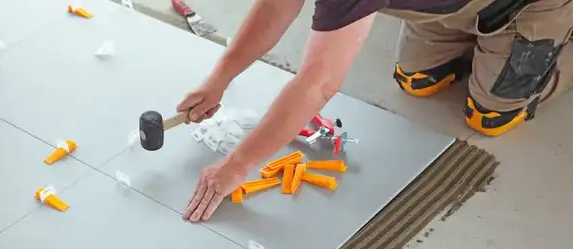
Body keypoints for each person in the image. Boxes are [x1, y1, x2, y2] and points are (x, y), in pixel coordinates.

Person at [178, 0, 572, 222]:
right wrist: (219, 79)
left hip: (527, 6)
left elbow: (319, 83)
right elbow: (276, 9)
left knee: (489, 117)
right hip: (451, 8)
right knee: (417, 81)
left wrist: (237, 165)